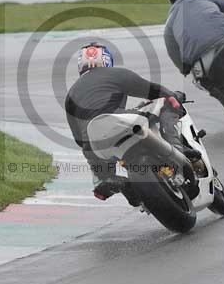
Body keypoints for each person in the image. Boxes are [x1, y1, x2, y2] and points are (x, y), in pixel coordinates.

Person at [64, 42, 199, 203]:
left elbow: (79, 139)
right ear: (107, 59)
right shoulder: (115, 74)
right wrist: (172, 96)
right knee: (166, 103)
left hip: (93, 144)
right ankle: (177, 148)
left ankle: (112, 182)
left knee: (103, 175)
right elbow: (152, 90)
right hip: (119, 120)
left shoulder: (70, 95)